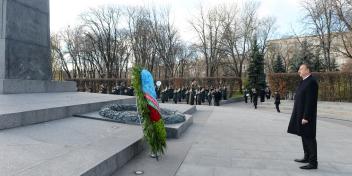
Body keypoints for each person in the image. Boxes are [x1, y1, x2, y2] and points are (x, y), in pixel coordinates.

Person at [287, 64, 319, 170]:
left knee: (309, 138)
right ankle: (306, 157)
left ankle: (313, 162)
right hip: (300, 114)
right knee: (303, 136)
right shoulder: (304, 81)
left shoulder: (312, 82)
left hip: (306, 117)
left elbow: (310, 102)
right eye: (299, 69)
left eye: (301, 69)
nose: (299, 71)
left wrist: (306, 117)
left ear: (307, 70)